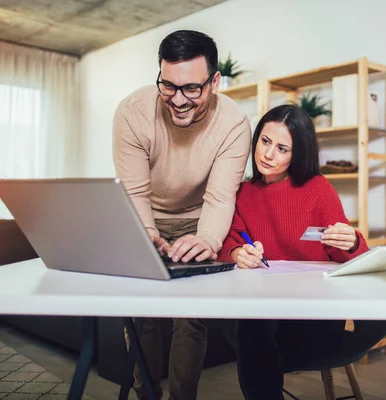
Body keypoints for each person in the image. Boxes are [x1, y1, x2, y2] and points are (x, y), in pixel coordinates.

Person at [112, 30, 251, 400]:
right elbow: (136, 191)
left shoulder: (235, 123)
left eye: (192, 89)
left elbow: (221, 197)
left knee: (191, 315)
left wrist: (207, 240)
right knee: (143, 313)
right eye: (168, 87)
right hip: (144, 216)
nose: (179, 100)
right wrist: (146, 232)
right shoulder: (131, 112)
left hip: (198, 219)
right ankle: (146, 394)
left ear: (215, 81)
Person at [217, 104, 370, 400]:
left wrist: (351, 241)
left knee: (253, 323)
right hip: (262, 321)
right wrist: (237, 253)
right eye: (264, 141)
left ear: (298, 153)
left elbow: (354, 258)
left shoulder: (319, 189)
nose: (268, 154)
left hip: (313, 319)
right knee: (253, 317)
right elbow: (227, 244)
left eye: (282, 148)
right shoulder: (243, 193)